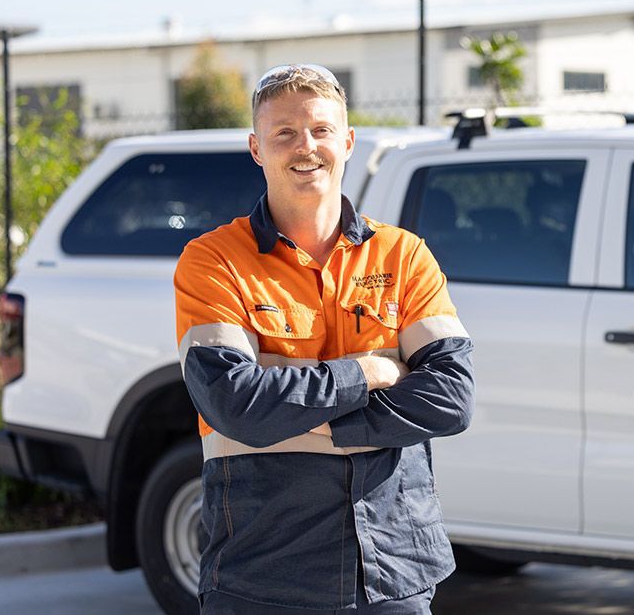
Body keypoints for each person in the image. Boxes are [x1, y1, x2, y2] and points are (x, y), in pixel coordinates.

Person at [174, 64, 475, 614]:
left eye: (320, 130)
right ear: (256, 148)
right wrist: (370, 373)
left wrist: (293, 409)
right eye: (283, 132)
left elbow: (451, 399)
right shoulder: (213, 262)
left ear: (348, 141)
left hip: (395, 571)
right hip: (263, 575)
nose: (305, 146)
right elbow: (234, 405)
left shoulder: (403, 256)